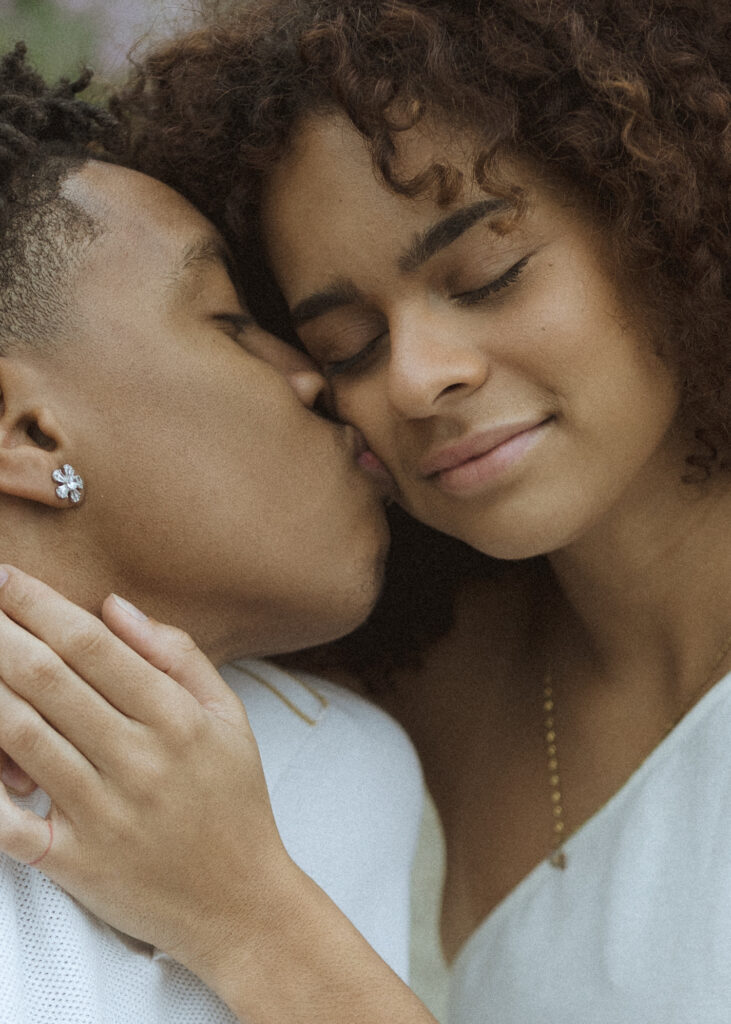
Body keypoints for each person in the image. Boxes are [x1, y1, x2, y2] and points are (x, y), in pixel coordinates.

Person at [1, 0, 729, 1020]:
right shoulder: (395, 674)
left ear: (665, 208)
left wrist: (250, 918)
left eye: (487, 274)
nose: (414, 380)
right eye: (343, 344)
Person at [0, 43, 428, 1024]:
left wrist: (250, 917)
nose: (314, 376)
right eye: (230, 320)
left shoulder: (334, 768)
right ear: (25, 429)